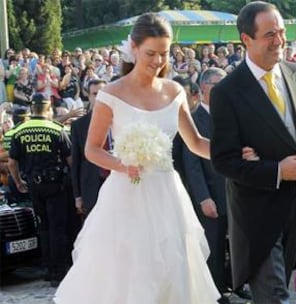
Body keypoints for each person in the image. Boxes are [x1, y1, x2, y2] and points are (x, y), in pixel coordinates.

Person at [54, 13, 220, 304]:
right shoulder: (111, 93)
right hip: (126, 196)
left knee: (172, 271)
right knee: (129, 274)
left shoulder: (175, 91)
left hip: (168, 194)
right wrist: (123, 165)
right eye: (151, 53)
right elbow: (92, 149)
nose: (158, 61)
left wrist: (230, 152)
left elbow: (195, 143)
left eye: (164, 54)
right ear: (133, 48)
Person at [209, 2, 296, 303]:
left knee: (276, 289)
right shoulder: (227, 92)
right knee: (274, 294)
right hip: (256, 213)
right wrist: (276, 171)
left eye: (281, 32)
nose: (279, 41)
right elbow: (224, 160)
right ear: (246, 40)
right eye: (269, 34)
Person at [8, 93, 72, 287]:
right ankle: (58, 272)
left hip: (34, 185)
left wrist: (18, 182)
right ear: (48, 108)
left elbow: (12, 163)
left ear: (31, 108)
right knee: (57, 227)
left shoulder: (19, 131)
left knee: (43, 227)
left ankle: (47, 268)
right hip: (56, 185)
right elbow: (70, 160)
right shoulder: (57, 129)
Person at [182, 67, 231, 304]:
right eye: (217, 85)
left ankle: (235, 284)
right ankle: (216, 293)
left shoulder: (233, 115)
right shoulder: (192, 119)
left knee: (237, 244)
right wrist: (203, 197)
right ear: (203, 89)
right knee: (214, 244)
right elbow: (192, 165)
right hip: (212, 194)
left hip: (235, 192)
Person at [70, 79, 107, 218]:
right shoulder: (79, 126)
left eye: (102, 93)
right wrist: (77, 196)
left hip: (117, 183)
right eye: (95, 93)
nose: (98, 97)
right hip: (91, 186)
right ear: (89, 96)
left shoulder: (120, 120)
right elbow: (76, 162)